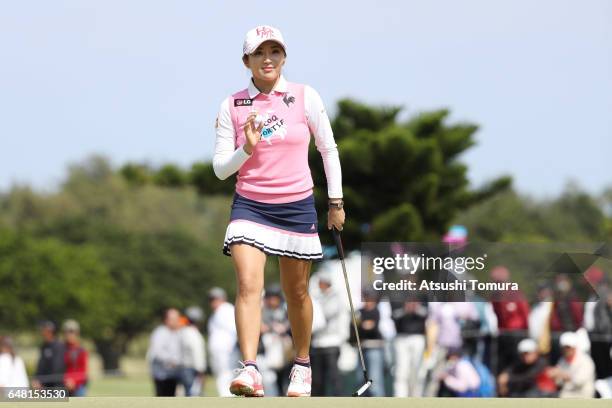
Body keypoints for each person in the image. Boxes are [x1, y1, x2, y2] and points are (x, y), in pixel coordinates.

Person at [213, 25, 344, 397]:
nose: (267, 59)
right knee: (248, 285)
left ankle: (302, 365)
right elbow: (221, 168)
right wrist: (247, 149)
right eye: (259, 53)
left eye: (274, 51)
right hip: (250, 206)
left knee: (297, 291)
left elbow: (328, 149)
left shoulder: (305, 96)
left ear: (283, 57)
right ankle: (250, 368)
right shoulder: (232, 105)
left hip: (296, 205)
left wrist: (335, 202)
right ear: (247, 61)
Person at [310, 272, 348, 396]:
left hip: (332, 342)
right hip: (317, 343)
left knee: (334, 377)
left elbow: (327, 313)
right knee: (317, 379)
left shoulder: (335, 297)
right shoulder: (317, 297)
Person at [353, 289, 386, 397]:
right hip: (362, 348)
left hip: (375, 347)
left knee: (374, 380)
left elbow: (373, 328)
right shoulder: (359, 312)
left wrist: (364, 325)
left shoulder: (376, 311)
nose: (368, 300)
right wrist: (364, 325)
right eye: (366, 297)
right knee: (360, 380)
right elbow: (355, 328)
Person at [207, 287, 238, 397]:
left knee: (226, 374)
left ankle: (227, 398)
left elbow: (235, 330)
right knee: (222, 375)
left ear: (223, 298)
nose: (213, 302)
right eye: (211, 299)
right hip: (219, 351)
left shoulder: (227, 309)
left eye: (216, 299)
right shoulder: (215, 314)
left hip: (228, 350)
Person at [391, 300, 427, 397]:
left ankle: (416, 397)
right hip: (401, 338)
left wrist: (417, 308)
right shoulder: (397, 295)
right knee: (401, 371)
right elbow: (392, 315)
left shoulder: (423, 294)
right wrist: (405, 310)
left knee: (418, 371)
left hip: (418, 338)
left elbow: (429, 314)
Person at [548, 331, 596, 398]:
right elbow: (559, 382)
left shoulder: (586, 361)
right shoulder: (562, 361)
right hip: (566, 394)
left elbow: (579, 381)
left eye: (568, 347)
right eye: (564, 347)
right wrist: (554, 376)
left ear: (574, 347)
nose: (566, 350)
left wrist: (562, 375)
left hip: (583, 395)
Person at [147, 309, 182, 396]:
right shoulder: (160, 333)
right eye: (173, 319)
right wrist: (171, 361)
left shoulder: (178, 333)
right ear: (166, 320)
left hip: (173, 374)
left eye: (177, 319)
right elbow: (157, 351)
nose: (176, 321)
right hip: (161, 375)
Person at [180, 306, 207, 396]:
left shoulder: (183, 332)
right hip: (193, 370)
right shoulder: (194, 334)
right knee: (193, 395)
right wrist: (201, 371)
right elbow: (197, 354)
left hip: (184, 368)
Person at [33, 321, 65, 389]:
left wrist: (43, 381)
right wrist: (37, 379)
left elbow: (57, 369)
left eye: (44, 331)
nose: (42, 333)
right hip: (45, 386)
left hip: (56, 387)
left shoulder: (58, 346)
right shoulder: (44, 346)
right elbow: (41, 365)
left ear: (51, 332)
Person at [62, 320, 88, 396]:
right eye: (66, 332)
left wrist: (74, 382)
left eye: (71, 332)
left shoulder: (81, 351)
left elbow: (83, 372)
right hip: (63, 386)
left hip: (78, 387)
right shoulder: (61, 349)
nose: (69, 334)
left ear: (77, 333)